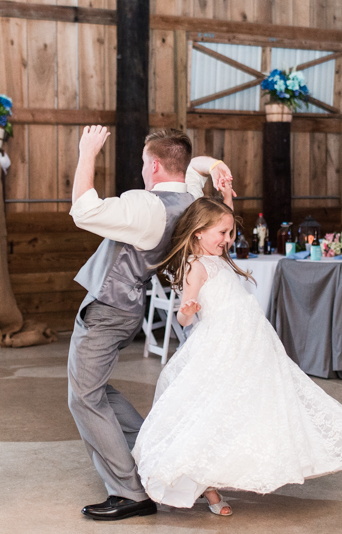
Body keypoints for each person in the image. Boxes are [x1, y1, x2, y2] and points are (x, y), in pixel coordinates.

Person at [131, 189, 342, 516]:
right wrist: (187, 310)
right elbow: (183, 317)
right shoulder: (196, 266)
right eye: (222, 233)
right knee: (211, 411)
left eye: (231, 232)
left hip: (252, 343)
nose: (228, 239)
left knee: (250, 408)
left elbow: (221, 219)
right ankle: (209, 488)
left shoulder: (217, 257)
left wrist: (224, 194)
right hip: (222, 345)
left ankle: (228, 471)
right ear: (198, 232)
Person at [67, 125, 233, 521]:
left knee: (83, 398)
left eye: (144, 163)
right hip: (128, 305)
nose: (143, 170)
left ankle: (129, 492)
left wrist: (87, 152)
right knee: (95, 392)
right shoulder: (190, 200)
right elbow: (193, 165)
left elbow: (83, 210)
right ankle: (156, 451)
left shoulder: (146, 207)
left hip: (109, 307)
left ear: (154, 164)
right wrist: (217, 164)